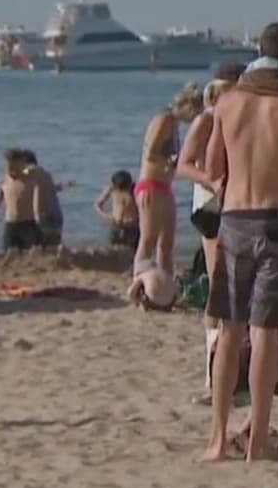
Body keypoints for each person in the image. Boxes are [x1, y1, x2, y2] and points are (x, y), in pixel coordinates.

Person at [201, 21, 278, 462]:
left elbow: (213, 168)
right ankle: (258, 441)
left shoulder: (228, 102)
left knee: (229, 332)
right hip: (276, 219)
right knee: (265, 334)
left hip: (234, 218)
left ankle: (217, 440)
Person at [177, 78, 236, 387]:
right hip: (211, 207)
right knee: (218, 286)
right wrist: (211, 181)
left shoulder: (238, 119)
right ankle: (212, 365)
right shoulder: (206, 120)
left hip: (236, 206)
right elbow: (183, 165)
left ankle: (231, 359)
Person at [135, 82, 203, 278]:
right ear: (187, 106)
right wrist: (173, 161)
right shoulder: (164, 120)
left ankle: (166, 283)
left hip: (165, 187)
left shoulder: (174, 126)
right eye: (195, 113)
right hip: (151, 185)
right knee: (148, 240)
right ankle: (139, 280)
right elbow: (151, 152)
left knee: (166, 243)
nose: (194, 118)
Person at [0, 149, 39, 252]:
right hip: (10, 223)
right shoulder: (5, 180)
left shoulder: (29, 176)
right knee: (8, 254)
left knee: (29, 254)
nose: (9, 169)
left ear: (22, 163)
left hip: (27, 223)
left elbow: (33, 170)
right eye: (8, 166)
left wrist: (24, 168)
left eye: (13, 166)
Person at [20, 151, 72, 249]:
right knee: (54, 247)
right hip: (56, 214)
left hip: (43, 215)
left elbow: (23, 174)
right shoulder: (46, 174)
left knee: (40, 247)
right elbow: (51, 188)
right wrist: (63, 186)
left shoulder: (29, 170)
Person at [94, 170, 140, 250]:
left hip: (133, 226)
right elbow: (98, 204)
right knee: (112, 247)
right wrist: (105, 215)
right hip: (116, 224)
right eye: (120, 189)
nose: (123, 191)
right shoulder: (111, 190)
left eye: (125, 188)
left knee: (132, 249)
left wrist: (139, 218)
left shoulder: (136, 190)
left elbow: (147, 208)